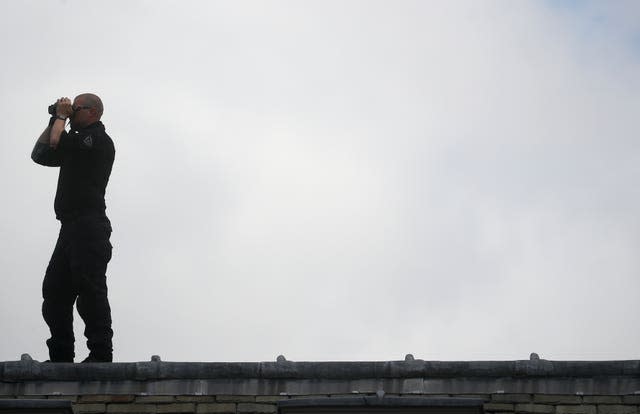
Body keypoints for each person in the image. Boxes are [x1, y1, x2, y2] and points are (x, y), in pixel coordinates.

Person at [31, 93, 115, 363]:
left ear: (93, 112)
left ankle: (101, 356)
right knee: (55, 291)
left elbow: (58, 140)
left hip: (90, 224)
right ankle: (61, 357)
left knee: (90, 289)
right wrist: (55, 117)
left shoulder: (97, 139)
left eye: (76, 109)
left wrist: (60, 118)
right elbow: (40, 152)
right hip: (69, 227)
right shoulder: (74, 144)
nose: (71, 113)